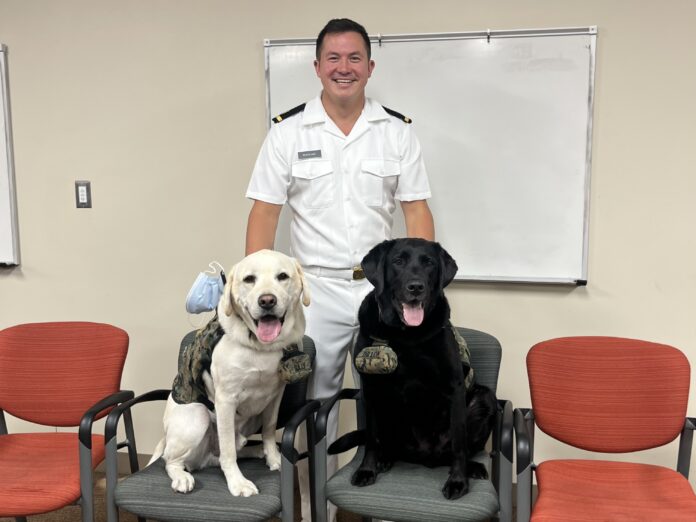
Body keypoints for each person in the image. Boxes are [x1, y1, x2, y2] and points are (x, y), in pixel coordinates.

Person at [245, 18, 434, 521]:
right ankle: (315, 514)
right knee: (313, 407)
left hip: (382, 292)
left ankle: (387, 508)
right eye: (333, 58)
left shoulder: (395, 132)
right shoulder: (288, 132)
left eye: (354, 59)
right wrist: (253, 296)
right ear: (317, 67)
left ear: (370, 67)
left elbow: (415, 210)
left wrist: (420, 290)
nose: (343, 68)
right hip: (315, 292)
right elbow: (264, 212)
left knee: (392, 396)